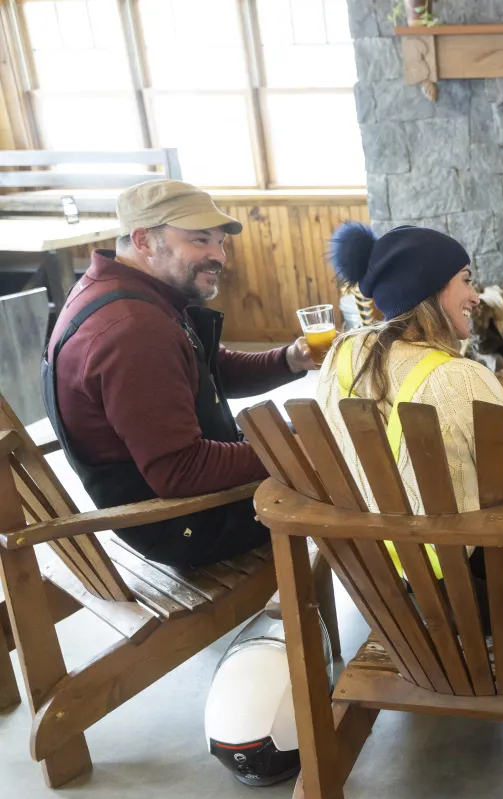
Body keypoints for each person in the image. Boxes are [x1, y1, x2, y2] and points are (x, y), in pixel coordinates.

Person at [317, 222, 503, 614]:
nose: (475, 296)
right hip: (470, 594)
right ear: (428, 287)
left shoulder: (341, 353)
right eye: (466, 280)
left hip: (389, 582)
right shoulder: (459, 377)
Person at [43, 180, 318, 569]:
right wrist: (299, 452)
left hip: (180, 501)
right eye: (200, 240)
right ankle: (397, 608)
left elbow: (208, 368)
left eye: (220, 243)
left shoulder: (122, 288)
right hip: (183, 522)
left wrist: (289, 359)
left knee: (318, 436)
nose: (219, 256)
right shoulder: (134, 329)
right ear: (143, 240)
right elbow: (183, 472)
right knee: (346, 468)